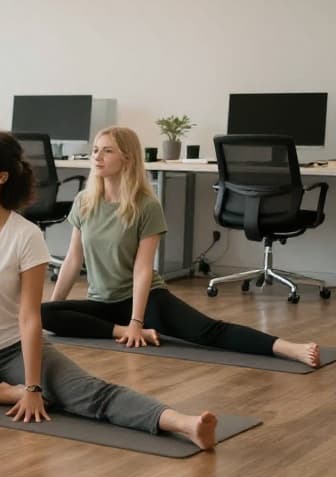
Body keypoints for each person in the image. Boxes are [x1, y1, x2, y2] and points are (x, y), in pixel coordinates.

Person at [0, 130, 217, 450]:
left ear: (0, 177)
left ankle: (183, 423)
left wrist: (34, 388)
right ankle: (0, 394)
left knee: (86, 394)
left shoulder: (25, 236)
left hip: (13, 352)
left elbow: (29, 317)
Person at [42, 126, 319, 367]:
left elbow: (142, 269)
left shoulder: (146, 206)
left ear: (127, 159)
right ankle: (118, 330)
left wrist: (138, 323)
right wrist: (55, 309)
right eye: (95, 150)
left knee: (208, 332)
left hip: (148, 300)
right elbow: (73, 260)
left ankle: (289, 348)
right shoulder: (84, 201)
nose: (97, 157)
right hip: (102, 303)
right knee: (41, 313)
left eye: (107, 151)